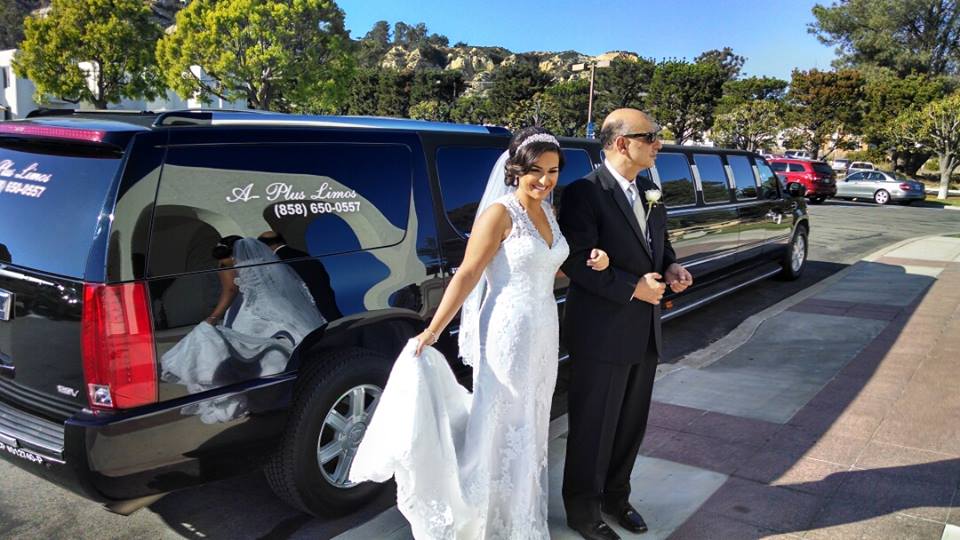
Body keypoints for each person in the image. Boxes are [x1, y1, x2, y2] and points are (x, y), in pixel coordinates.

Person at [349, 127, 610, 539]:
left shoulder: (549, 212)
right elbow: (468, 273)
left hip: (543, 328)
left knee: (532, 419)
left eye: (554, 171)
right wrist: (433, 330)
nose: (545, 180)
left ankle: (522, 517)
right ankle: (485, 518)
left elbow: (545, 265)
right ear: (515, 170)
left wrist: (591, 258)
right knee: (503, 418)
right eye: (536, 171)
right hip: (507, 331)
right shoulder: (500, 214)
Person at [558, 109, 693, 540]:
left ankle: (618, 497)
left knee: (630, 425)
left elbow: (659, 245)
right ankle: (584, 512)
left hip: (645, 331)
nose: (659, 144)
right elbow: (576, 261)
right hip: (601, 332)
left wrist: (671, 268)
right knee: (593, 427)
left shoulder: (650, 189)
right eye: (650, 136)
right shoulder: (585, 192)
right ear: (620, 143)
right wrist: (633, 288)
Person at [160, 237, 326, 422]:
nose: (220, 262)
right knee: (285, 350)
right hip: (279, 310)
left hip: (249, 312)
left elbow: (230, 290)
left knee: (245, 355)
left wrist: (212, 318)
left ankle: (257, 397)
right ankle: (292, 391)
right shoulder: (264, 260)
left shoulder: (228, 266)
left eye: (221, 258)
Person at [257, 231, 343, 322]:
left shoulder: (276, 262)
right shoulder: (303, 254)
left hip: (307, 313)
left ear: (266, 247)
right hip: (327, 304)